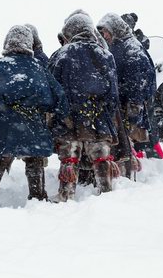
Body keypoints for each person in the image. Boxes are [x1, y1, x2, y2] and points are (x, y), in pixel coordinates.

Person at [0, 25, 69, 206]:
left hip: (2, 124)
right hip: (33, 123)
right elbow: (59, 97)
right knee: (35, 161)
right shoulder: (39, 67)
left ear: (7, 42)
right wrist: (59, 121)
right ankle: (37, 197)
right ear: (29, 44)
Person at [51, 13, 120, 201]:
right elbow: (113, 92)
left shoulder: (62, 54)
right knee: (100, 156)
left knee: (69, 157)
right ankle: (106, 192)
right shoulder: (105, 54)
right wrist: (106, 111)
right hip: (98, 116)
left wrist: (58, 113)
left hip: (70, 117)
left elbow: (53, 87)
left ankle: (66, 194)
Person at [97, 13, 155, 146]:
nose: (104, 36)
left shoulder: (132, 49)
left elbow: (138, 86)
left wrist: (132, 116)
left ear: (114, 29)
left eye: (106, 31)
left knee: (124, 149)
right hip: (118, 106)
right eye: (103, 32)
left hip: (125, 108)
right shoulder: (118, 45)